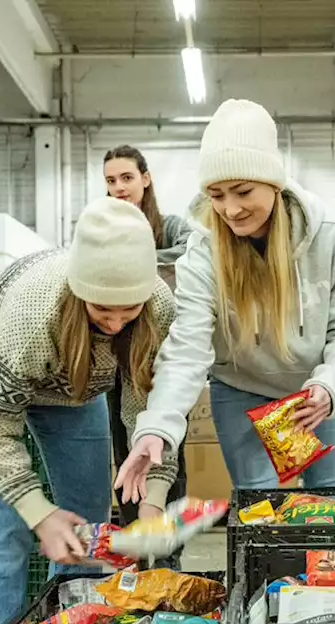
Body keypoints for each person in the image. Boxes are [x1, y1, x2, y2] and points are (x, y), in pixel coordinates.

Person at [0, 196, 180, 624]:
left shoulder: (159, 308)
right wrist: (38, 512)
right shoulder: (33, 315)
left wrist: (153, 501)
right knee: (6, 522)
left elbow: (152, 412)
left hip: (74, 388)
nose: (114, 324)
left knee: (88, 524)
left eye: (128, 312)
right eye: (102, 311)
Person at [117, 98, 335, 495]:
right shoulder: (203, 251)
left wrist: (331, 385)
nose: (230, 209)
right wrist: (156, 428)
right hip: (241, 389)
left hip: (315, 390)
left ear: (273, 183)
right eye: (217, 195)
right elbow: (187, 348)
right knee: (259, 508)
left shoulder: (329, 237)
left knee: (329, 504)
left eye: (242, 191)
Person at [102, 145, 192, 527]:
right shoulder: (101, 226)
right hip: (113, 349)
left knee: (167, 440)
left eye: (127, 178)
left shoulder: (170, 227)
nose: (119, 187)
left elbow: (192, 251)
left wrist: (136, 263)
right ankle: (135, 533)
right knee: (126, 444)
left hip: (164, 347)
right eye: (111, 180)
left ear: (145, 178)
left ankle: (170, 544)